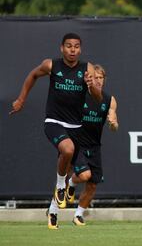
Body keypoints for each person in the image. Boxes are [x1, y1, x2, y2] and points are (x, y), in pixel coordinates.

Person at [9, 33, 102, 229]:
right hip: (54, 122)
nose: (72, 50)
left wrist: (91, 84)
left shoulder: (88, 68)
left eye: (76, 46)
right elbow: (32, 75)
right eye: (69, 46)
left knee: (84, 176)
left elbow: (98, 98)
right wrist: (21, 99)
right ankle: (61, 185)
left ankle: (52, 211)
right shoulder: (51, 65)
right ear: (62, 48)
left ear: (80, 49)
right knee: (67, 149)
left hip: (76, 127)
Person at [47, 64, 119, 228]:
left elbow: (114, 124)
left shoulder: (109, 100)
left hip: (94, 146)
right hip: (76, 143)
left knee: (92, 183)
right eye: (95, 77)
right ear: (89, 79)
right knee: (81, 176)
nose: (98, 81)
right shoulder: (80, 95)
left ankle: (78, 215)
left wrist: (113, 123)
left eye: (101, 78)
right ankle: (53, 212)